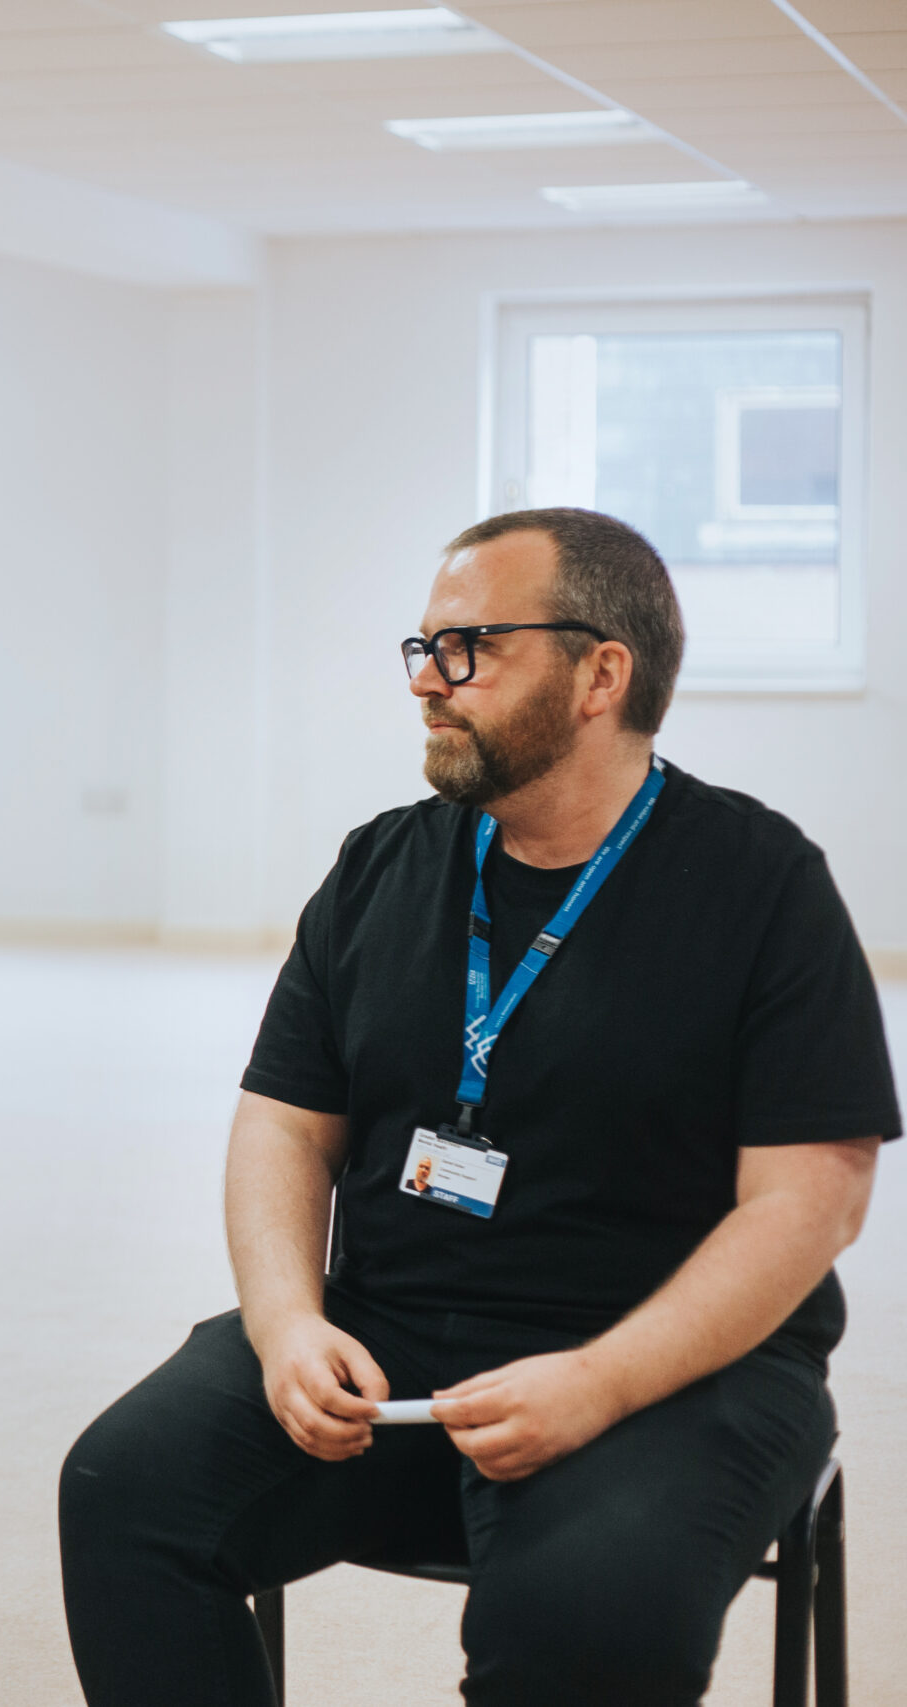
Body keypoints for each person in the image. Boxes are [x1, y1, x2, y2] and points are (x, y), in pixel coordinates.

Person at [60, 508, 898, 1706]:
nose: (427, 684)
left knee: (585, 1620)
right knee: (124, 1494)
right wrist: (286, 1324)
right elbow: (284, 1125)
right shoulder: (379, 868)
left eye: (470, 650)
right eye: (423, 648)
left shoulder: (762, 888)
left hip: (668, 1369)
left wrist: (601, 1380)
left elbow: (811, 1200)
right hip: (389, 1339)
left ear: (600, 672)